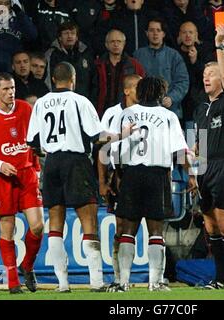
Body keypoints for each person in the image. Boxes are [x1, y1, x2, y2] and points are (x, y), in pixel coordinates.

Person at [26, 61, 134, 292]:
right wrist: (121, 134)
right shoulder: (80, 101)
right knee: (89, 221)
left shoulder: (41, 103)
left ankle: (62, 284)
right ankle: (96, 282)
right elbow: (97, 137)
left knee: (55, 223)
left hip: (52, 163)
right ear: (73, 79)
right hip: (76, 162)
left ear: (53, 80)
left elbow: (32, 142)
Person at [113, 76, 196, 292]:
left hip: (132, 173)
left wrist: (118, 175)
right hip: (157, 175)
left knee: (128, 230)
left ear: (140, 92)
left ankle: (123, 283)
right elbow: (180, 151)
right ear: (160, 93)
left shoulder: (126, 113)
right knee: (156, 231)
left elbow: (115, 150)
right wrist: (192, 175)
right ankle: (155, 282)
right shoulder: (168, 116)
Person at [0, 72, 44, 294]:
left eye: (12, 88)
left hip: (27, 174)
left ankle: (28, 266)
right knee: (7, 229)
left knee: (38, 226)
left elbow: (34, 143)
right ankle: (13, 282)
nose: (10, 93)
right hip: (1, 178)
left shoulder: (25, 109)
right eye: (5, 89)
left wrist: (37, 170)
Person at [194, 24, 224, 290]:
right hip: (204, 167)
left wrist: (220, 45)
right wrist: (192, 171)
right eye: (204, 74)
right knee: (211, 225)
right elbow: (195, 141)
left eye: (211, 74)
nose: (207, 77)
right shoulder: (201, 107)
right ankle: (219, 278)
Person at [97, 73, 142, 291]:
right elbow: (102, 147)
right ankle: (119, 277)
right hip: (120, 175)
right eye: (137, 87)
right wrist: (102, 181)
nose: (141, 91)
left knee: (150, 227)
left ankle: (156, 279)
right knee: (121, 228)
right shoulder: (112, 114)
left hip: (143, 174)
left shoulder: (148, 112)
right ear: (126, 90)